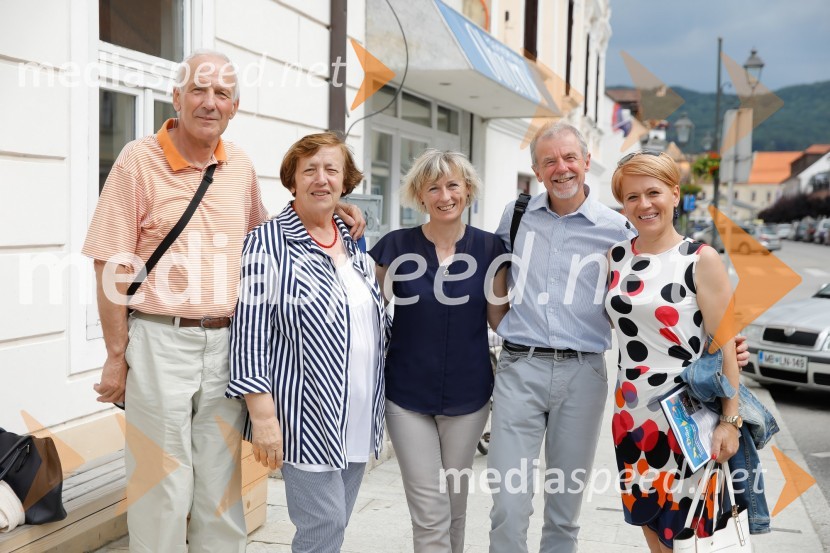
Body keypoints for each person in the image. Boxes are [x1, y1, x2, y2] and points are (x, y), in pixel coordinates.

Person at [83, 51, 364, 552]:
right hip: (159, 340)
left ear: (234, 106)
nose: (209, 102)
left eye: (221, 94)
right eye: (199, 89)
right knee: (161, 486)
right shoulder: (138, 159)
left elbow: (272, 233)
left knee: (219, 491)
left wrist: (329, 206)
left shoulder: (239, 167)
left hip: (228, 346)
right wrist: (114, 355)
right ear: (177, 97)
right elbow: (110, 263)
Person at [487, 123, 747, 553]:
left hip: (592, 377)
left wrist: (728, 357)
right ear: (535, 169)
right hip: (532, 371)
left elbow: (673, 306)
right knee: (508, 504)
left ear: (587, 162)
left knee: (567, 508)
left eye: (570, 158)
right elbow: (492, 272)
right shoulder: (518, 217)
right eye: (549, 160)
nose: (561, 168)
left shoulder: (620, 232)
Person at [226, 132, 387, 553]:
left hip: (354, 414)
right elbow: (250, 331)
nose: (321, 179)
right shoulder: (268, 242)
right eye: (309, 170)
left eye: (331, 169)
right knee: (322, 525)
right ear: (292, 181)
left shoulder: (352, 242)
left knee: (333, 528)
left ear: (345, 181)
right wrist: (263, 416)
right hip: (305, 416)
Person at [368, 150, 509, 553]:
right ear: (420, 195)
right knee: (430, 512)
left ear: (467, 190)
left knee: (455, 507)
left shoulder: (490, 248)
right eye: (434, 187)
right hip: (406, 396)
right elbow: (363, 311)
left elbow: (500, 319)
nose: (445, 195)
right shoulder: (394, 247)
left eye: (453, 185)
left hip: (469, 398)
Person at [606, 151, 739, 552]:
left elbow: (725, 343)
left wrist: (730, 421)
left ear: (675, 194)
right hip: (630, 413)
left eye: (653, 192)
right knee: (648, 519)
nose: (644, 204)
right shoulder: (615, 258)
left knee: (687, 528)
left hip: (686, 415)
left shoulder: (701, 259)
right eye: (632, 197)